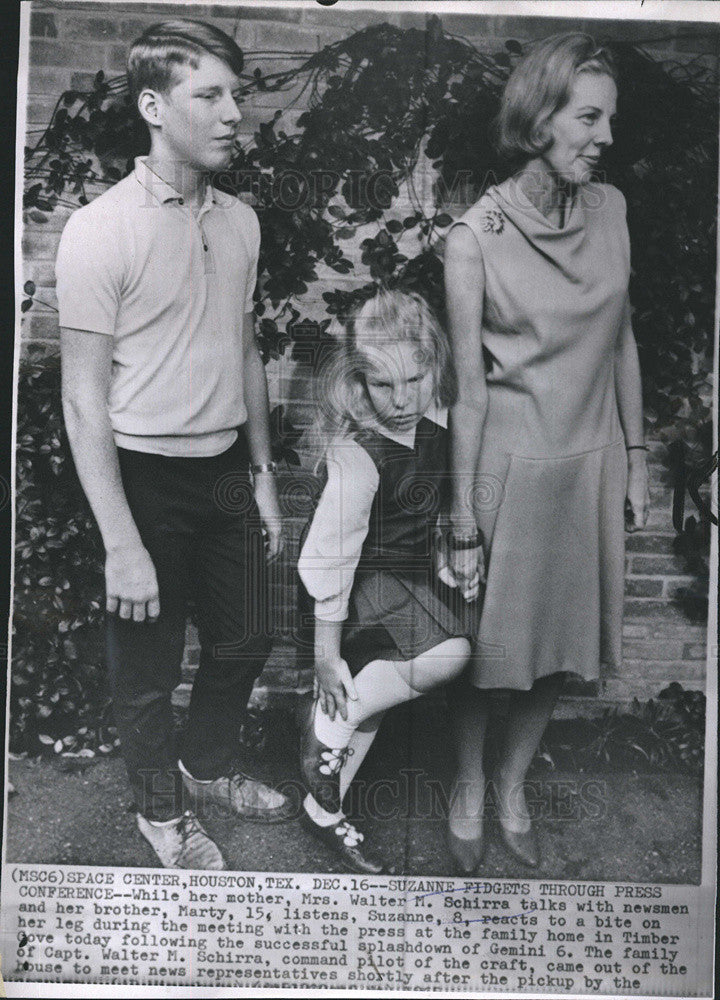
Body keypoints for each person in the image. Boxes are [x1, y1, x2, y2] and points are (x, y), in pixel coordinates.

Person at [56, 19, 294, 871]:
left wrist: (263, 475)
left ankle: (205, 767)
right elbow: (82, 400)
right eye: (212, 95)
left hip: (227, 467)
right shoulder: (99, 229)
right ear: (155, 105)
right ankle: (161, 812)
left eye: (237, 94)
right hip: (143, 474)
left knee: (248, 635)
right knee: (148, 668)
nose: (235, 113)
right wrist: (121, 542)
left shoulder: (241, 221)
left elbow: (244, 349)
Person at [443, 33, 649, 874]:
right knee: (488, 653)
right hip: (512, 469)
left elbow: (622, 339)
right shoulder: (475, 235)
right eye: (588, 118)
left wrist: (635, 456)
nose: (604, 137)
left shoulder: (612, 210)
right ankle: (464, 785)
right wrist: (462, 517)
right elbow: (468, 389)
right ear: (538, 120)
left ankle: (513, 784)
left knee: (562, 645)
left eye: (609, 119)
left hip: (591, 458)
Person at [296, 288, 479, 874]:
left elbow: (424, 509)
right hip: (359, 588)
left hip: (409, 577)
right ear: (358, 382)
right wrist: (325, 653)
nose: (401, 401)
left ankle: (322, 806)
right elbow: (330, 558)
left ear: (436, 368)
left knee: (376, 701)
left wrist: (448, 556)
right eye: (382, 385)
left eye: (415, 380)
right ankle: (329, 722)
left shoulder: (438, 419)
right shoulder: (358, 455)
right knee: (449, 654)